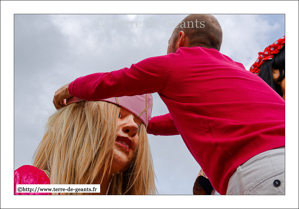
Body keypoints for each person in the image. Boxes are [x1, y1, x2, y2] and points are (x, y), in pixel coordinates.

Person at [53, 14, 285, 195]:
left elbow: (113, 81)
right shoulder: (239, 71)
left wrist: (71, 88)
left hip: (263, 170)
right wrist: (146, 124)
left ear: (180, 39)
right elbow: (180, 121)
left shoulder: (174, 64)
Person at [15, 94, 156, 195]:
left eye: (138, 124)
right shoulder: (28, 185)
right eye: (118, 115)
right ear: (81, 126)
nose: (133, 126)